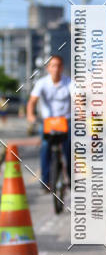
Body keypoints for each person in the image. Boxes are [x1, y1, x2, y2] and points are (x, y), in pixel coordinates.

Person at [27, 55, 71, 192]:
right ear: (48, 68)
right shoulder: (42, 83)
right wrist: (31, 115)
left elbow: (79, 99)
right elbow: (32, 101)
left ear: (62, 68)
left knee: (68, 147)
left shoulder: (69, 82)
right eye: (53, 65)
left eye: (58, 65)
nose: (56, 68)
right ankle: (45, 182)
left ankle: (71, 178)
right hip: (48, 122)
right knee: (45, 146)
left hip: (65, 121)